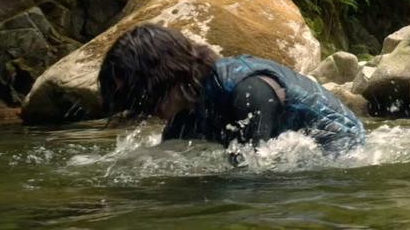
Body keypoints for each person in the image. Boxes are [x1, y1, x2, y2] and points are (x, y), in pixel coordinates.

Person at [98, 23, 365, 155]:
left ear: (163, 77)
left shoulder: (246, 91)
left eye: (140, 97)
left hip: (342, 153)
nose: (142, 108)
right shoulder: (186, 116)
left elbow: (253, 176)